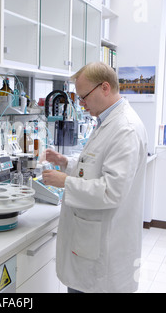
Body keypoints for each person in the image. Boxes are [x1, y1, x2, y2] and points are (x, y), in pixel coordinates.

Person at [42, 62, 148, 293]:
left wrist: (64, 182)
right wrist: (66, 163)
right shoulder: (106, 122)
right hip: (90, 245)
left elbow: (111, 191)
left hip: (104, 254)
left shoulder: (124, 128)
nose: (81, 104)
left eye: (84, 97)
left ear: (105, 88)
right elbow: (93, 168)